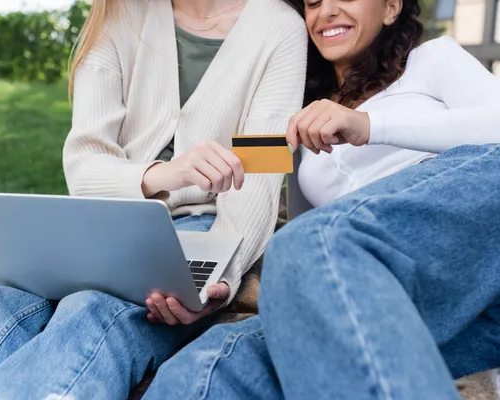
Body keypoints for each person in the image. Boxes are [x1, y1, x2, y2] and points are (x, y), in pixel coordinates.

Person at [0, 0, 307, 399]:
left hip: (203, 222)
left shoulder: (278, 27)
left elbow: (259, 174)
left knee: (95, 310)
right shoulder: (119, 12)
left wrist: (219, 275)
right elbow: (84, 164)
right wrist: (159, 175)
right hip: (101, 214)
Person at [142, 0, 500, 398]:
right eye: (312, 2)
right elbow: (309, 237)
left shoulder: (432, 60)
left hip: (475, 236)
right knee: (206, 368)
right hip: (409, 297)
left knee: (308, 242)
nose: (325, 11)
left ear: (391, 8)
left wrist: (369, 124)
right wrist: (209, 286)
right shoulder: (304, 116)